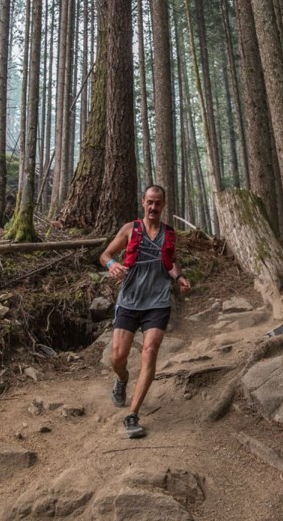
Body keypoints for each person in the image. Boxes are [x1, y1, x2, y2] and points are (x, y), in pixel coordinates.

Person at [99, 185, 191, 438]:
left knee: (149, 352)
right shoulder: (130, 230)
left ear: (163, 205)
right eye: (149, 202)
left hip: (158, 302)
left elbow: (169, 261)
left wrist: (180, 277)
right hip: (129, 301)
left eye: (158, 203)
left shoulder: (169, 233)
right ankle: (122, 379)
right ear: (143, 202)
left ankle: (133, 414)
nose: (153, 207)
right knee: (117, 358)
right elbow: (105, 254)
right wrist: (112, 264)